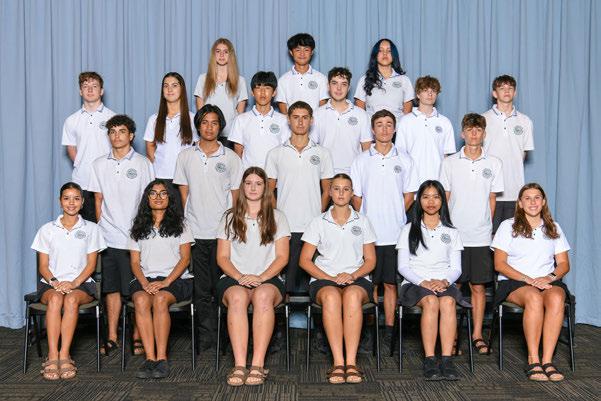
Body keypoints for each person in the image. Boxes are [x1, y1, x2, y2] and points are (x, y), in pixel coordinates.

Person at [173, 104, 243, 350]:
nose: (209, 127)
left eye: (214, 123)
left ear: (220, 126)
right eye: (204, 122)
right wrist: (187, 229)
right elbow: (184, 196)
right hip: (195, 233)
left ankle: (226, 338)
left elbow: (236, 198)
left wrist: (232, 230)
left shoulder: (231, 158)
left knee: (223, 287)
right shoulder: (185, 157)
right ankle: (207, 338)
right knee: (202, 290)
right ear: (198, 126)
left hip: (222, 235)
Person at [215, 167, 290, 386]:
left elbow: (282, 257)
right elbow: (222, 257)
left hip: (268, 277)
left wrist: (261, 277)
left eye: (258, 183)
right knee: (238, 297)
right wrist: (240, 277)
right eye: (248, 183)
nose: (253, 188)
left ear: (265, 188)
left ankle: (257, 365)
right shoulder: (229, 217)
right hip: (234, 276)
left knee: (262, 296)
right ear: (242, 187)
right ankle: (240, 365)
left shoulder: (278, 217)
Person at [299, 173, 377, 384]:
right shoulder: (318, 222)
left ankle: (351, 363)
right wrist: (330, 278)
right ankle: (338, 363)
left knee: (352, 296)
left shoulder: (363, 220)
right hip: (325, 278)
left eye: (346, 189)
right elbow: (304, 260)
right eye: (336, 188)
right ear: (330, 192)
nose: (341, 193)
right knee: (332, 297)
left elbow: (370, 260)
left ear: (352, 193)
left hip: (357, 277)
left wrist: (352, 275)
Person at [350, 109, 419, 347]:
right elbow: (356, 197)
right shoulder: (361, 160)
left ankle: (389, 329)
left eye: (389, 124)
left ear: (395, 129)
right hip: (368, 235)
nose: (385, 129)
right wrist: (366, 219)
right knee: (371, 284)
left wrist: (396, 213)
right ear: (372, 129)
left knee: (390, 283)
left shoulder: (405, 159)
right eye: (379, 124)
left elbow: (409, 195)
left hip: (394, 233)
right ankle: (370, 329)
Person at [88, 114, 155, 356]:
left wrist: (143, 232)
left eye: (122, 131)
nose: (117, 136)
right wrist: (100, 229)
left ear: (131, 135)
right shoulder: (98, 164)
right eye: (112, 131)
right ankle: (113, 337)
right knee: (111, 289)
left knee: (136, 290)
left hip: (135, 239)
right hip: (108, 238)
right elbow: (98, 199)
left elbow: (149, 201)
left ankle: (137, 336)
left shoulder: (143, 163)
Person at [491, 183, 570, 382]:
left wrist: (549, 277)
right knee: (534, 297)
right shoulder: (507, 226)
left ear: (543, 202)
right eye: (527, 198)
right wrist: (529, 280)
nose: (532, 202)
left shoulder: (553, 227)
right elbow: (499, 264)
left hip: (546, 280)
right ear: (520, 203)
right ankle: (533, 360)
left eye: (537, 198)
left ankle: (547, 361)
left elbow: (563, 264)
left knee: (557, 298)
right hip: (516, 282)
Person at [439, 113, 503, 355]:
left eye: (478, 130)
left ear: (484, 134)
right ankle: (452, 336)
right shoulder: (449, 163)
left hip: (481, 236)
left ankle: (477, 335)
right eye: (469, 129)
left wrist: (486, 226)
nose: (474, 134)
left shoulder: (494, 163)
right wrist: (446, 229)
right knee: (453, 286)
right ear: (462, 133)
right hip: (455, 235)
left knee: (478, 287)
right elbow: (445, 198)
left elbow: (492, 199)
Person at [31, 182, 106, 380]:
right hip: (51, 284)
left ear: (82, 202)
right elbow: (43, 266)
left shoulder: (92, 229)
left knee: (71, 299)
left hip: (81, 283)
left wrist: (73, 283)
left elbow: (91, 265)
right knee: (56, 299)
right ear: (60, 201)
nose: (71, 203)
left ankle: (65, 355)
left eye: (76, 198)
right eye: (66, 198)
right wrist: (55, 282)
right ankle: (52, 355)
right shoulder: (47, 230)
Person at [396, 180, 466, 381]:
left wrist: (444, 281)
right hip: (415, 283)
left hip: (443, 282)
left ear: (442, 200)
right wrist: (423, 282)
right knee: (431, 301)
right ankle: (430, 359)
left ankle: (447, 360)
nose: (431, 201)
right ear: (419, 201)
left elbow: (456, 268)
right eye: (426, 197)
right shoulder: (409, 229)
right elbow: (403, 267)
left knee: (448, 301)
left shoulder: (451, 232)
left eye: (436, 197)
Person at [265, 101, 334, 294]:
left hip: (312, 226)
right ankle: (284, 312)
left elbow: (327, 190)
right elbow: (269, 191)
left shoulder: (323, 153)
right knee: (286, 282)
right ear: (288, 120)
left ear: (311, 121)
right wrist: (277, 217)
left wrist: (317, 216)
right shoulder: (275, 153)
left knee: (309, 283)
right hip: (285, 226)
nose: (300, 122)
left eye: (305, 117)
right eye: (296, 117)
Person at [128, 179, 194, 379]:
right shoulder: (137, 225)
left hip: (175, 279)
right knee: (141, 299)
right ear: (147, 198)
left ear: (169, 198)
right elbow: (134, 262)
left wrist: (166, 282)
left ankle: (162, 358)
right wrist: (144, 283)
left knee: (160, 299)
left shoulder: (182, 224)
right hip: (145, 279)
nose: (158, 197)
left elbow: (185, 258)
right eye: (153, 193)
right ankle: (150, 358)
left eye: (163, 193)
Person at [482, 75, 534, 232]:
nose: (506, 91)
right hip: (489, 191)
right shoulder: (483, 119)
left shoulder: (525, 121)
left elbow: (523, 153)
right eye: (502, 88)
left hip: (515, 191)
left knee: (513, 235)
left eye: (510, 88)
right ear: (494, 93)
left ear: (515, 92)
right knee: (488, 235)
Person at [61, 72, 116, 222]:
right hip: (82, 181)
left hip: (108, 180)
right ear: (80, 91)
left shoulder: (113, 117)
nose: (90, 90)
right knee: (84, 227)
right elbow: (71, 148)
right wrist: (81, 163)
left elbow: (119, 148)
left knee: (108, 225)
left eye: (94, 86)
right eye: (85, 86)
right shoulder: (71, 120)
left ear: (101, 91)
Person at [143, 72, 197, 203]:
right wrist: (159, 167)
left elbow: (198, 148)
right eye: (166, 86)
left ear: (182, 89)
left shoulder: (192, 118)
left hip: (185, 178)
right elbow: (150, 148)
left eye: (174, 85)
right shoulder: (154, 119)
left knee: (184, 214)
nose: (169, 89)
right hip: (160, 177)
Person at [395, 76, 456, 187]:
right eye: (425, 90)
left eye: (433, 91)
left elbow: (447, 157)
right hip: (411, 183)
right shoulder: (405, 121)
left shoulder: (445, 122)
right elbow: (400, 154)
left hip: (437, 182)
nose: (430, 94)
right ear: (418, 94)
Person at [312, 67, 372, 174]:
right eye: (334, 83)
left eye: (344, 84)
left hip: (353, 174)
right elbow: (312, 148)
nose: (339, 88)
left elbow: (367, 150)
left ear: (349, 88)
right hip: (325, 174)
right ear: (328, 86)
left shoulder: (362, 115)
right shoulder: (317, 114)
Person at [229, 71, 290, 169]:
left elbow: (286, 152)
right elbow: (238, 154)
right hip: (249, 175)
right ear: (252, 92)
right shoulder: (241, 120)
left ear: (274, 92)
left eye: (267, 88)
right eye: (258, 88)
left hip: (274, 175)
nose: (262, 92)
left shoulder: (283, 120)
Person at [193, 38, 248, 143]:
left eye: (225, 52)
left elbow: (240, 115)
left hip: (231, 135)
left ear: (230, 55)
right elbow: (200, 112)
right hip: (208, 133)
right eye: (218, 51)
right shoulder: (203, 79)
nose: (222, 55)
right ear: (213, 55)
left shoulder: (240, 81)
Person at [354, 39, 414, 122]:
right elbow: (360, 112)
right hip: (371, 129)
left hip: (397, 128)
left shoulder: (404, 80)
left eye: (389, 51)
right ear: (375, 55)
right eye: (380, 50)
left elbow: (407, 114)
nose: (385, 53)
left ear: (394, 55)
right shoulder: (364, 80)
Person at [275, 33, 329, 114]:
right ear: (291, 52)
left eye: (306, 50)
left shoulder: (321, 78)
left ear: (312, 52)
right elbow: (283, 107)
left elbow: (323, 106)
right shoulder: (283, 80)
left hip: (316, 121)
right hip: (291, 122)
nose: (302, 53)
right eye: (298, 50)